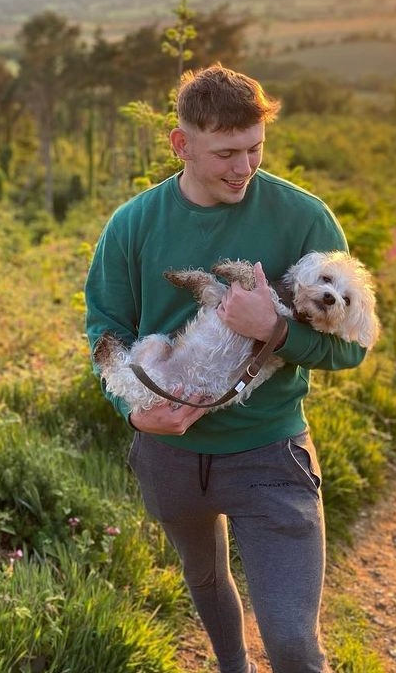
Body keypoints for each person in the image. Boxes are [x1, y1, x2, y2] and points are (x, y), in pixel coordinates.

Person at [84, 64, 368, 673]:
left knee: (293, 642)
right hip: (169, 457)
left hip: (270, 452)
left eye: (255, 149)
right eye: (226, 153)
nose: (244, 168)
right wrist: (134, 411)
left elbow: (351, 348)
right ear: (181, 144)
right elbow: (105, 329)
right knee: (206, 581)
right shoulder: (132, 224)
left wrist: (274, 330)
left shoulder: (305, 218)